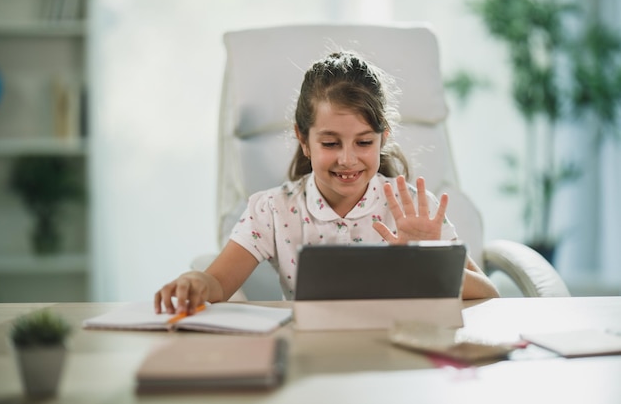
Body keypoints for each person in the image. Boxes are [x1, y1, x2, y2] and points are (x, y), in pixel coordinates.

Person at [155, 51, 499, 315]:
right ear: (303, 140)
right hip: (308, 359)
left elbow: (488, 294)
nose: (348, 159)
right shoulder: (274, 210)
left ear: (383, 140)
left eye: (364, 143)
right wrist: (196, 283)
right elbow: (217, 281)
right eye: (330, 143)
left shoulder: (411, 209)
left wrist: (427, 261)